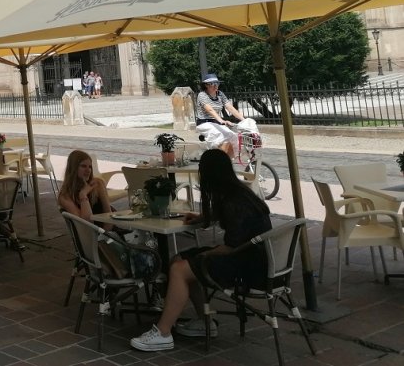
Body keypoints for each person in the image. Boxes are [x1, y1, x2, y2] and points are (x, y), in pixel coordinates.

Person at [130, 149, 272, 352]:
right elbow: (230, 223)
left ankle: (163, 332)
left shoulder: (233, 201)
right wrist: (203, 217)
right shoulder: (237, 192)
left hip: (248, 266)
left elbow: (231, 247)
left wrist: (205, 254)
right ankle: (205, 322)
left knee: (180, 268)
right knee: (178, 260)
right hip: (251, 257)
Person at [195, 74, 245, 158]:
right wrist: (221, 120)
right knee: (222, 137)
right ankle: (219, 160)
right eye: (212, 84)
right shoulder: (202, 95)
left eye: (217, 83)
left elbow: (230, 107)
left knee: (233, 135)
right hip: (204, 123)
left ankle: (229, 160)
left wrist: (244, 120)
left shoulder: (220, 94)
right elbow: (210, 110)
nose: (215, 86)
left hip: (216, 122)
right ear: (206, 85)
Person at [57, 150, 112, 219]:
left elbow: (108, 215)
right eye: (83, 166)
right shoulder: (65, 196)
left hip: (108, 224)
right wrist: (83, 195)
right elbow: (86, 221)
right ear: (73, 168)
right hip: (91, 226)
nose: (88, 170)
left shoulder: (97, 184)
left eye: (90, 167)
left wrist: (108, 228)